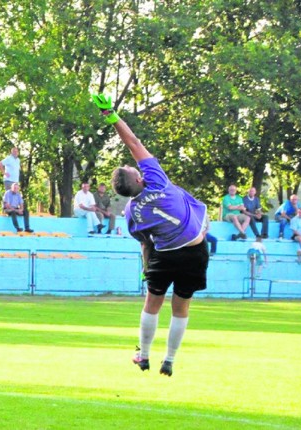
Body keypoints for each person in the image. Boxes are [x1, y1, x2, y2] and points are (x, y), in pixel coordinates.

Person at [93, 93, 208, 377]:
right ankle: (169, 360)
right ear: (139, 178)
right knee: (181, 307)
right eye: (134, 168)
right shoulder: (157, 180)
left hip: (164, 255)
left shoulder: (132, 213)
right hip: (194, 249)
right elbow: (133, 142)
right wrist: (111, 115)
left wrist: (149, 266)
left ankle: (143, 356)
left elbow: (144, 242)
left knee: (152, 303)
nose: (135, 165)